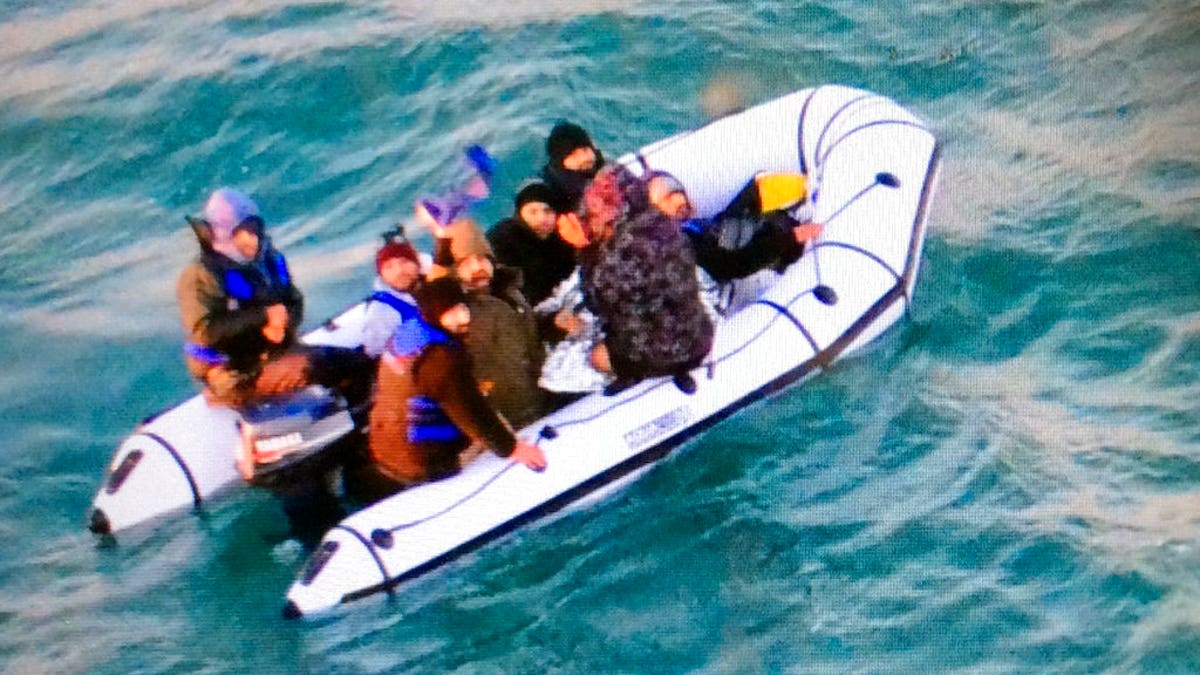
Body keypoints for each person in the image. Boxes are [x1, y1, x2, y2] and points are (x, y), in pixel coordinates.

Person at [350, 278, 547, 503]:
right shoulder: (441, 359)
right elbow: (471, 413)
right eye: (452, 313)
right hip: (428, 462)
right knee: (499, 422)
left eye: (463, 309)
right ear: (435, 314)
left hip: (385, 448)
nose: (463, 318)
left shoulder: (407, 334)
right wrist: (512, 448)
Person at [177, 187, 372, 409]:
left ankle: (352, 409)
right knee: (317, 366)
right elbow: (205, 331)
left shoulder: (268, 259)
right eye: (241, 232)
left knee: (356, 362)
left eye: (253, 230)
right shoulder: (201, 275)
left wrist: (283, 325)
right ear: (221, 234)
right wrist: (263, 317)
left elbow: (294, 299)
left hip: (275, 352)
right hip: (233, 373)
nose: (251, 239)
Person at [578, 166, 715, 396]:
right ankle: (679, 369)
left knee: (598, 356)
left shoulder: (622, 249)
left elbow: (598, 305)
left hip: (658, 355)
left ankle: (633, 375)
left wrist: (586, 250)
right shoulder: (668, 228)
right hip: (698, 340)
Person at [425, 217, 549, 428]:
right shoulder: (459, 311)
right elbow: (432, 291)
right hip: (512, 419)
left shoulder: (508, 289)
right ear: (453, 271)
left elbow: (528, 339)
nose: (477, 268)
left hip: (543, 396)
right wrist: (442, 242)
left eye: (482, 258)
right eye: (465, 263)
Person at [645, 171, 824, 283]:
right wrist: (792, 237)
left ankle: (809, 189)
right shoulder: (682, 245)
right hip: (758, 263)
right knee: (755, 214)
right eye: (664, 199)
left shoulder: (690, 228)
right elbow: (731, 266)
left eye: (673, 188)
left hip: (734, 239)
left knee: (758, 187)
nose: (678, 198)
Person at [486, 180, 576, 306]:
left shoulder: (564, 233)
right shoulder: (503, 241)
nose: (542, 219)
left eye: (548, 211)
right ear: (520, 213)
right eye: (533, 212)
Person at [361, 234, 421, 358]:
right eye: (389, 267)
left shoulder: (430, 283)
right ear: (381, 274)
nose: (399, 271)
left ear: (416, 263)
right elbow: (376, 354)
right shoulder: (381, 311)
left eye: (404, 261)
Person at [540, 121, 604, 218]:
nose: (584, 158)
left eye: (585, 150)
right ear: (560, 162)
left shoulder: (601, 166)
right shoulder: (556, 187)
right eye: (573, 155)